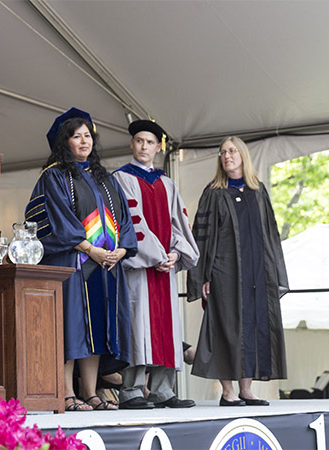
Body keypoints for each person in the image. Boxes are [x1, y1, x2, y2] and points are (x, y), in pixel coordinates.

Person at [24, 107, 137, 411]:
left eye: (88, 135)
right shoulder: (55, 176)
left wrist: (122, 249)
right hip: (73, 264)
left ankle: (90, 392)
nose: (84, 141)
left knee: (97, 329)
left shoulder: (104, 177)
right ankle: (65, 393)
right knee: (71, 328)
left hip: (107, 265)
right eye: (77, 136)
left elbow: (124, 220)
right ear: (65, 141)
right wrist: (89, 249)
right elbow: (56, 219)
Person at [186, 136, 289, 407]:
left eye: (232, 151)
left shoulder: (258, 190)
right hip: (225, 272)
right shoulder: (214, 192)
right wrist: (204, 276)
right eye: (222, 152)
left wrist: (272, 274)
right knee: (226, 328)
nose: (227, 156)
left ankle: (247, 390)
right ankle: (228, 392)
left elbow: (271, 235)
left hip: (257, 273)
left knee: (254, 327)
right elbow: (202, 237)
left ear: (243, 154)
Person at [112, 120, 199, 409]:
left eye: (149, 142)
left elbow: (179, 224)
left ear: (159, 147)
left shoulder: (167, 183)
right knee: (138, 327)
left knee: (166, 329)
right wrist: (156, 255)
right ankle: (132, 391)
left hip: (164, 269)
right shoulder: (121, 179)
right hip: (139, 268)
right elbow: (130, 223)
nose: (144, 146)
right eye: (139, 141)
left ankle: (163, 390)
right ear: (132, 144)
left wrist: (175, 253)